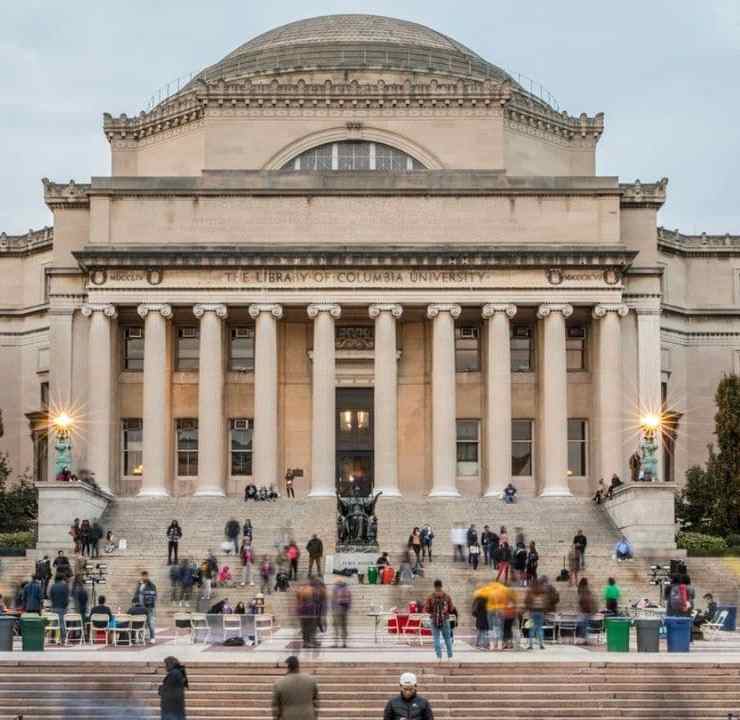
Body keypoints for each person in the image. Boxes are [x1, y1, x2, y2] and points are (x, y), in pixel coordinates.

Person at [272, 655, 319, 720]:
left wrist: (276, 717)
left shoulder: (279, 683)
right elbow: (316, 702)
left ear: (288, 667)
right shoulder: (311, 680)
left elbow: (276, 707)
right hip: (308, 716)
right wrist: (315, 715)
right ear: (298, 666)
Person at [424, 579, 457, 660]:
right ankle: (450, 656)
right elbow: (451, 608)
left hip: (434, 619)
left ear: (434, 586)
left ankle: (439, 657)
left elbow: (427, 609)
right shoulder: (447, 596)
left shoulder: (430, 597)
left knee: (436, 638)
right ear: (441, 586)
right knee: (447, 638)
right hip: (445, 619)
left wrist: (433, 612)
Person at [159, 655, 188, 720]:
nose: (165, 667)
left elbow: (167, 690)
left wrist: (160, 689)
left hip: (172, 709)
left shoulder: (174, 674)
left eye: (166, 665)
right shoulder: (179, 672)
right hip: (176, 708)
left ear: (170, 664)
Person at [132, 571, 158, 643]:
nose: (144, 577)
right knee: (140, 622)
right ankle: (141, 637)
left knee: (150, 622)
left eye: (145, 576)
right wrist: (134, 602)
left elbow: (155, 596)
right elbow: (136, 594)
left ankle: (152, 637)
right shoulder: (139, 585)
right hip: (140, 607)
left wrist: (151, 602)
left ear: (147, 576)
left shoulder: (151, 585)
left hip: (149, 607)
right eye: (143, 576)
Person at [49, 574, 69, 642]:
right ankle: (63, 639)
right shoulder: (65, 586)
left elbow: (50, 596)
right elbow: (67, 597)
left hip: (54, 607)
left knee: (54, 623)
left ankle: (52, 638)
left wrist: (53, 603)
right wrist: (66, 605)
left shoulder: (53, 586)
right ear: (62, 579)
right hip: (62, 607)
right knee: (62, 623)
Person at [331, 580, 352, 648]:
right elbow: (350, 601)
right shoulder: (347, 589)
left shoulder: (335, 589)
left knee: (336, 627)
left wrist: (333, 609)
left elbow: (333, 600)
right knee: (344, 627)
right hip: (344, 611)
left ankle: (336, 643)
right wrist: (348, 609)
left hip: (337, 610)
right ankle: (344, 643)